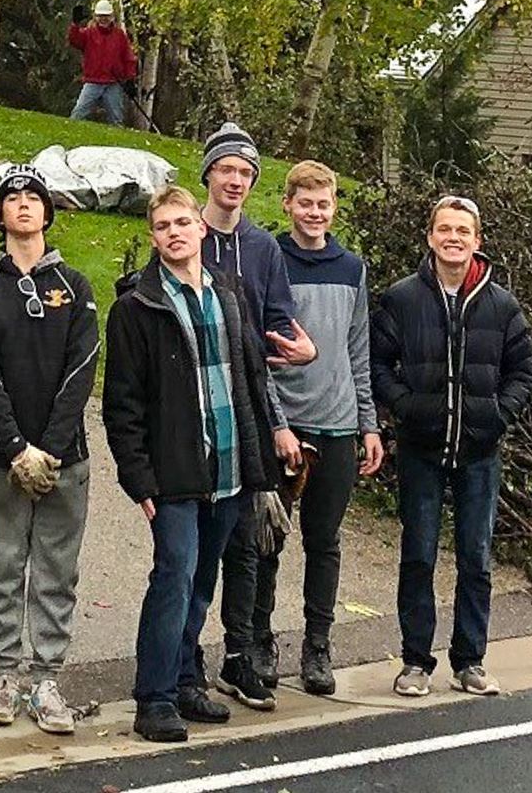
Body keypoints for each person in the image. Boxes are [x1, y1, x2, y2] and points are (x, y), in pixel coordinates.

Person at [103, 184, 281, 745]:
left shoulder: (228, 294)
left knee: (202, 583)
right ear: (154, 237)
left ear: (202, 229)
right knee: (173, 578)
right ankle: (153, 697)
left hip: (228, 470)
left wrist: (263, 459)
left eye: (183, 223)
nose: (175, 233)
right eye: (163, 226)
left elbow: (252, 377)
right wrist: (138, 477)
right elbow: (122, 405)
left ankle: (185, 680)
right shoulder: (138, 306)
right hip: (174, 473)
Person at [372, 195, 532, 700]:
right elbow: (378, 366)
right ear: (430, 237)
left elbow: (524, 372)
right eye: (444, 229)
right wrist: (408, 408)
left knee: (476, 557)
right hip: (422, 449)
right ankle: (415, 662)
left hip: (479, 453)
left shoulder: (502, 304)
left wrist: (495, 415)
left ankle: (470, 661)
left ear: (477, 241)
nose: (453, 238)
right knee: (418, 555)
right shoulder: (402, 299)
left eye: (463, 231)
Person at [0, 164, 99, 735]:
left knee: (55, 569)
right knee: (4, 565)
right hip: (2, 457)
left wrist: (52, 448)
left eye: (33, 197)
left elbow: (83, 366)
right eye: (12, 197)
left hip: (66, 456)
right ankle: (5, 674)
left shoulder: (77, 286)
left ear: (47, 212)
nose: (22, 204)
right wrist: (17, 448)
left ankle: (45, 678)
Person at [254, 161, 386, 698]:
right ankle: (259, 640)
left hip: (338, 425)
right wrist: (276, 423)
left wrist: (367, 423)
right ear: (287, 205)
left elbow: (359, 350)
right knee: (266, 540)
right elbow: (258, 352)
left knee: (323, 541)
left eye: (324, 204)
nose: (314, 213)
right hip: (285, 425)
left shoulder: (351, 267)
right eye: (305, 203)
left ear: (334, 208)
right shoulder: (269, 260)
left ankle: (317, 645)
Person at [198, 121, 314, 710]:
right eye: (227, 169)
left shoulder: (264, 248)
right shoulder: (183, 233)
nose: (236, 181)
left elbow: (281, 331)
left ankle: (240, 653)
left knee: (247, 541)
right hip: (194, 412)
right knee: (192, 546)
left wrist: (304, 351)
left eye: (245, 173)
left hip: (250, 407)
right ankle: (185, 657)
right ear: (209, 175)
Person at [66, 0, 138, 124]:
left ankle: (117, 141)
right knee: (78, 114)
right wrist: (75, 24)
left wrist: (130, 79)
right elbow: (74, 40)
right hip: (93, 81)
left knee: (116, 119)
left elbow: (128, 57)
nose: (103, 19)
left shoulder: (119, 35)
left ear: (112, 17)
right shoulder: (88, 33)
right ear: (95, 17)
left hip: (113, 83)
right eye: (100, 16)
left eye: (106, 16)